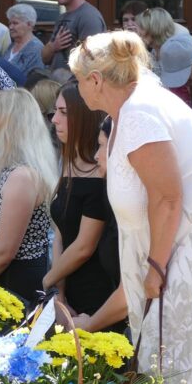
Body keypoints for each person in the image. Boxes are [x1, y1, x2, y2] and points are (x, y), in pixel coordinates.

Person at [69, 31, 192, 384]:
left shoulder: (140, 112)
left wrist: (154, 268)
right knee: (182, 368)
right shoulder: (136, 105)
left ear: (95, 80)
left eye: (78, 79)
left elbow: (167, 197)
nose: (77, 88)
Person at [0, 88, 58, 303]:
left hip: (15, 288)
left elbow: (4, 252)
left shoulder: (22, 176)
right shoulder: (12, 171)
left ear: (7, 122)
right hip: (2, 283)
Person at [43, 84, 120, 326]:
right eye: (55, 111)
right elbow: (60, 235)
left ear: (83, 117)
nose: (55, 120)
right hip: (67, 285)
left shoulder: (99, 176)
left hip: (94, 292)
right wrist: (59, 292)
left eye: (64, 113)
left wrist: (46, 281)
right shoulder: (68, 164)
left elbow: (84, 245)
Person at [73, 117, 126, 332]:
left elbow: (133, 289)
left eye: (102, 146)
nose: (96, 156)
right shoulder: (112, 196)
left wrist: (89, 325)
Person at [41, 0, 107, 71]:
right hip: (57, 83)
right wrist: (53, 46)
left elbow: (92, 60)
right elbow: (44, 58)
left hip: (76, 85)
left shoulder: (89, 17)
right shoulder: (61, 18)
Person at [1, 4, 45, 76]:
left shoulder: (36, 48)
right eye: (10, 23)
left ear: (29, 24)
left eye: (15, 23)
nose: (11, 27)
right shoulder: (11, 46)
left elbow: (35, 78)